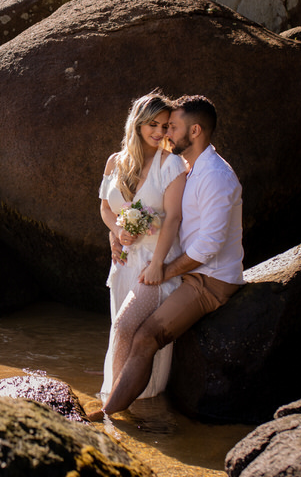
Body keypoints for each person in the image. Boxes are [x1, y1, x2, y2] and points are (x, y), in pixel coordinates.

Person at [88, 95, 245, 421]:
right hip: (171, 266)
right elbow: (139, 210)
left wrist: (163, 268)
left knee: (139, 333)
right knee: (129, 329)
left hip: (208, 278)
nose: (166, 133)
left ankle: (110, 413)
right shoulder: (188, 166)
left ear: (195, 131)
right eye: (160, 125)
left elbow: (207, 246)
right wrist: (115, 233)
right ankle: (118, 406)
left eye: (171, 126)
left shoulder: (214, 176)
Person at [97, 91, 187, 402]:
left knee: (125, 328)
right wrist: (116, 232)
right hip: (123, 262)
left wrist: (158, 264)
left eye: (165, 126)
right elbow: (106, 209)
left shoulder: (171, 164)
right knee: (121, 331)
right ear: (137, 124)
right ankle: (127, 403)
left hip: (154, 263)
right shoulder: (115, 161)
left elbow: (174, 217)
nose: (159, 132)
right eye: (153, 124)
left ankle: (114, 407)